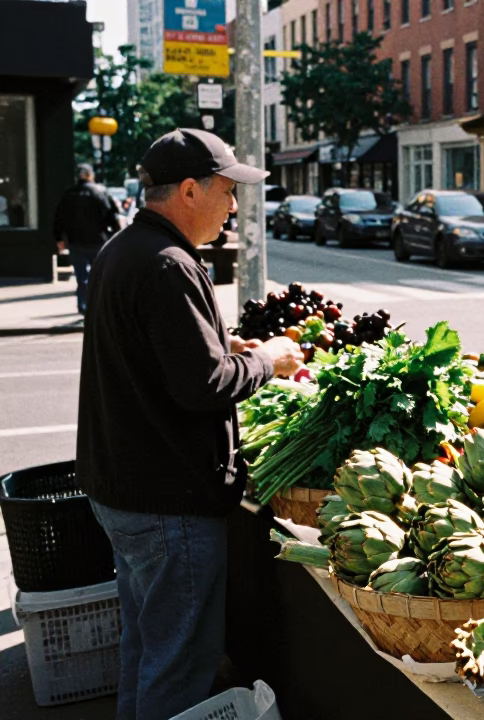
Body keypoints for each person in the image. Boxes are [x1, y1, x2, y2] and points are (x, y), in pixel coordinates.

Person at [76, 129, 305, 719]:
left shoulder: (123, 250)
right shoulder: (169, 265)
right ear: (186, 191)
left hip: (122, 490)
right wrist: (267, 360)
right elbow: (203, 387)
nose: (234, 207)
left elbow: (148, 349)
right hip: (167, 503)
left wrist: (218, 343)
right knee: (177, 668)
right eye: (228, 192)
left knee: (146, 650)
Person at [53, 164, 121, 315]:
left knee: (81, 277)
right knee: (100, 276)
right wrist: (118, 236)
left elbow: (59, 218)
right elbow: (113, 216)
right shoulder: (100, 192)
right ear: (90, 176)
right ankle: (99, 307)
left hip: (76, 241)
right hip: (99, 241)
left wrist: (59, 238)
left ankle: (83, 307)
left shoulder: (69, 194)